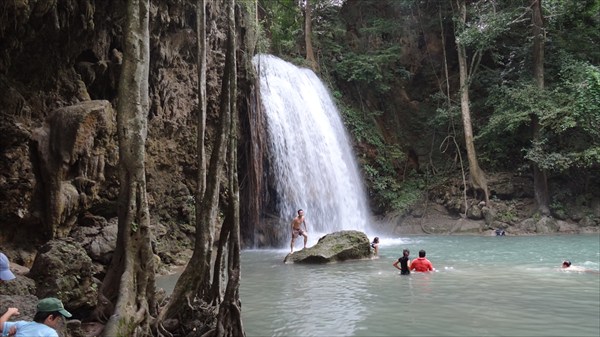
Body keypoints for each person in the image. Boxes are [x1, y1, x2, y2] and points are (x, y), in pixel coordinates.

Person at [0, 297, 72, 337]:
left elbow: (1, 326)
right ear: (50, 318)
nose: (58, 321)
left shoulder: (22, 325)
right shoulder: (50, 333)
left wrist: (9, 312)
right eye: (58, 319)